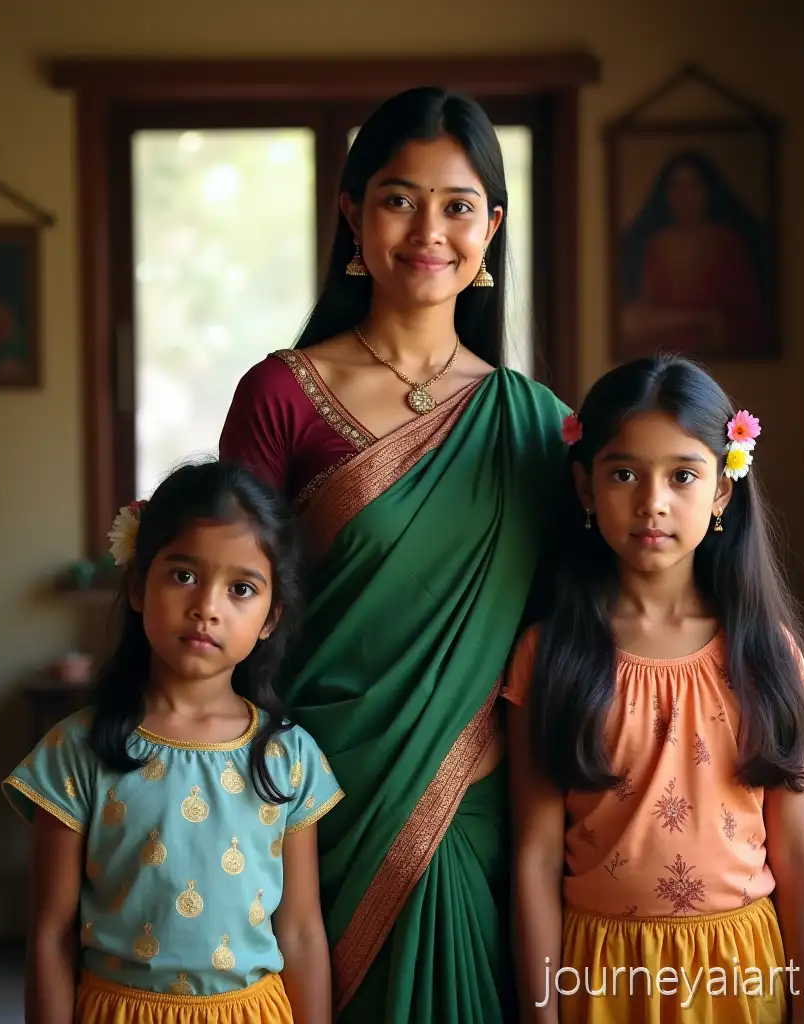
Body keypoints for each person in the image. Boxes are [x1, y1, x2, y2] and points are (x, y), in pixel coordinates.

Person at [218, 86, 569, 1023]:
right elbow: (230, 607)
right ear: (351, 215)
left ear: (492, 226)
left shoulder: (532, 424)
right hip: (310, 794)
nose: (430, 230)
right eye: (398, 198)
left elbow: (591, 604)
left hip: (468, 800)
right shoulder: (282, 395)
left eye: (459, 205)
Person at [506, 355, 804, 1023]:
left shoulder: (764, 650)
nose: (652, 502)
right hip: (598, 974)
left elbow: (799, 850)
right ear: (584, 489)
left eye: (683, 476)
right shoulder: (550, 654)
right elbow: (535, 856)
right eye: (624, 473)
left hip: (738, 971)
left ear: (721, 492)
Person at [3, 460, 343, 1024]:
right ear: (138, 585)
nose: (207, 606)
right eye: (184, 575)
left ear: (269, 618)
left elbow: (303, 930)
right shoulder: (76, 750)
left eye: (241, 588)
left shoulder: (289, 757)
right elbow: (49, 933)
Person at [618, 151, 769, 360]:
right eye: (675, 187)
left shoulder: (727, 242)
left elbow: (746, 315)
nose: (684, 196)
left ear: (708, 192)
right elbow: (645, 309)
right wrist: (700, 318)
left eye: (693, 186)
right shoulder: (657, 243)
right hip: (663, 347)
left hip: (711, 344)